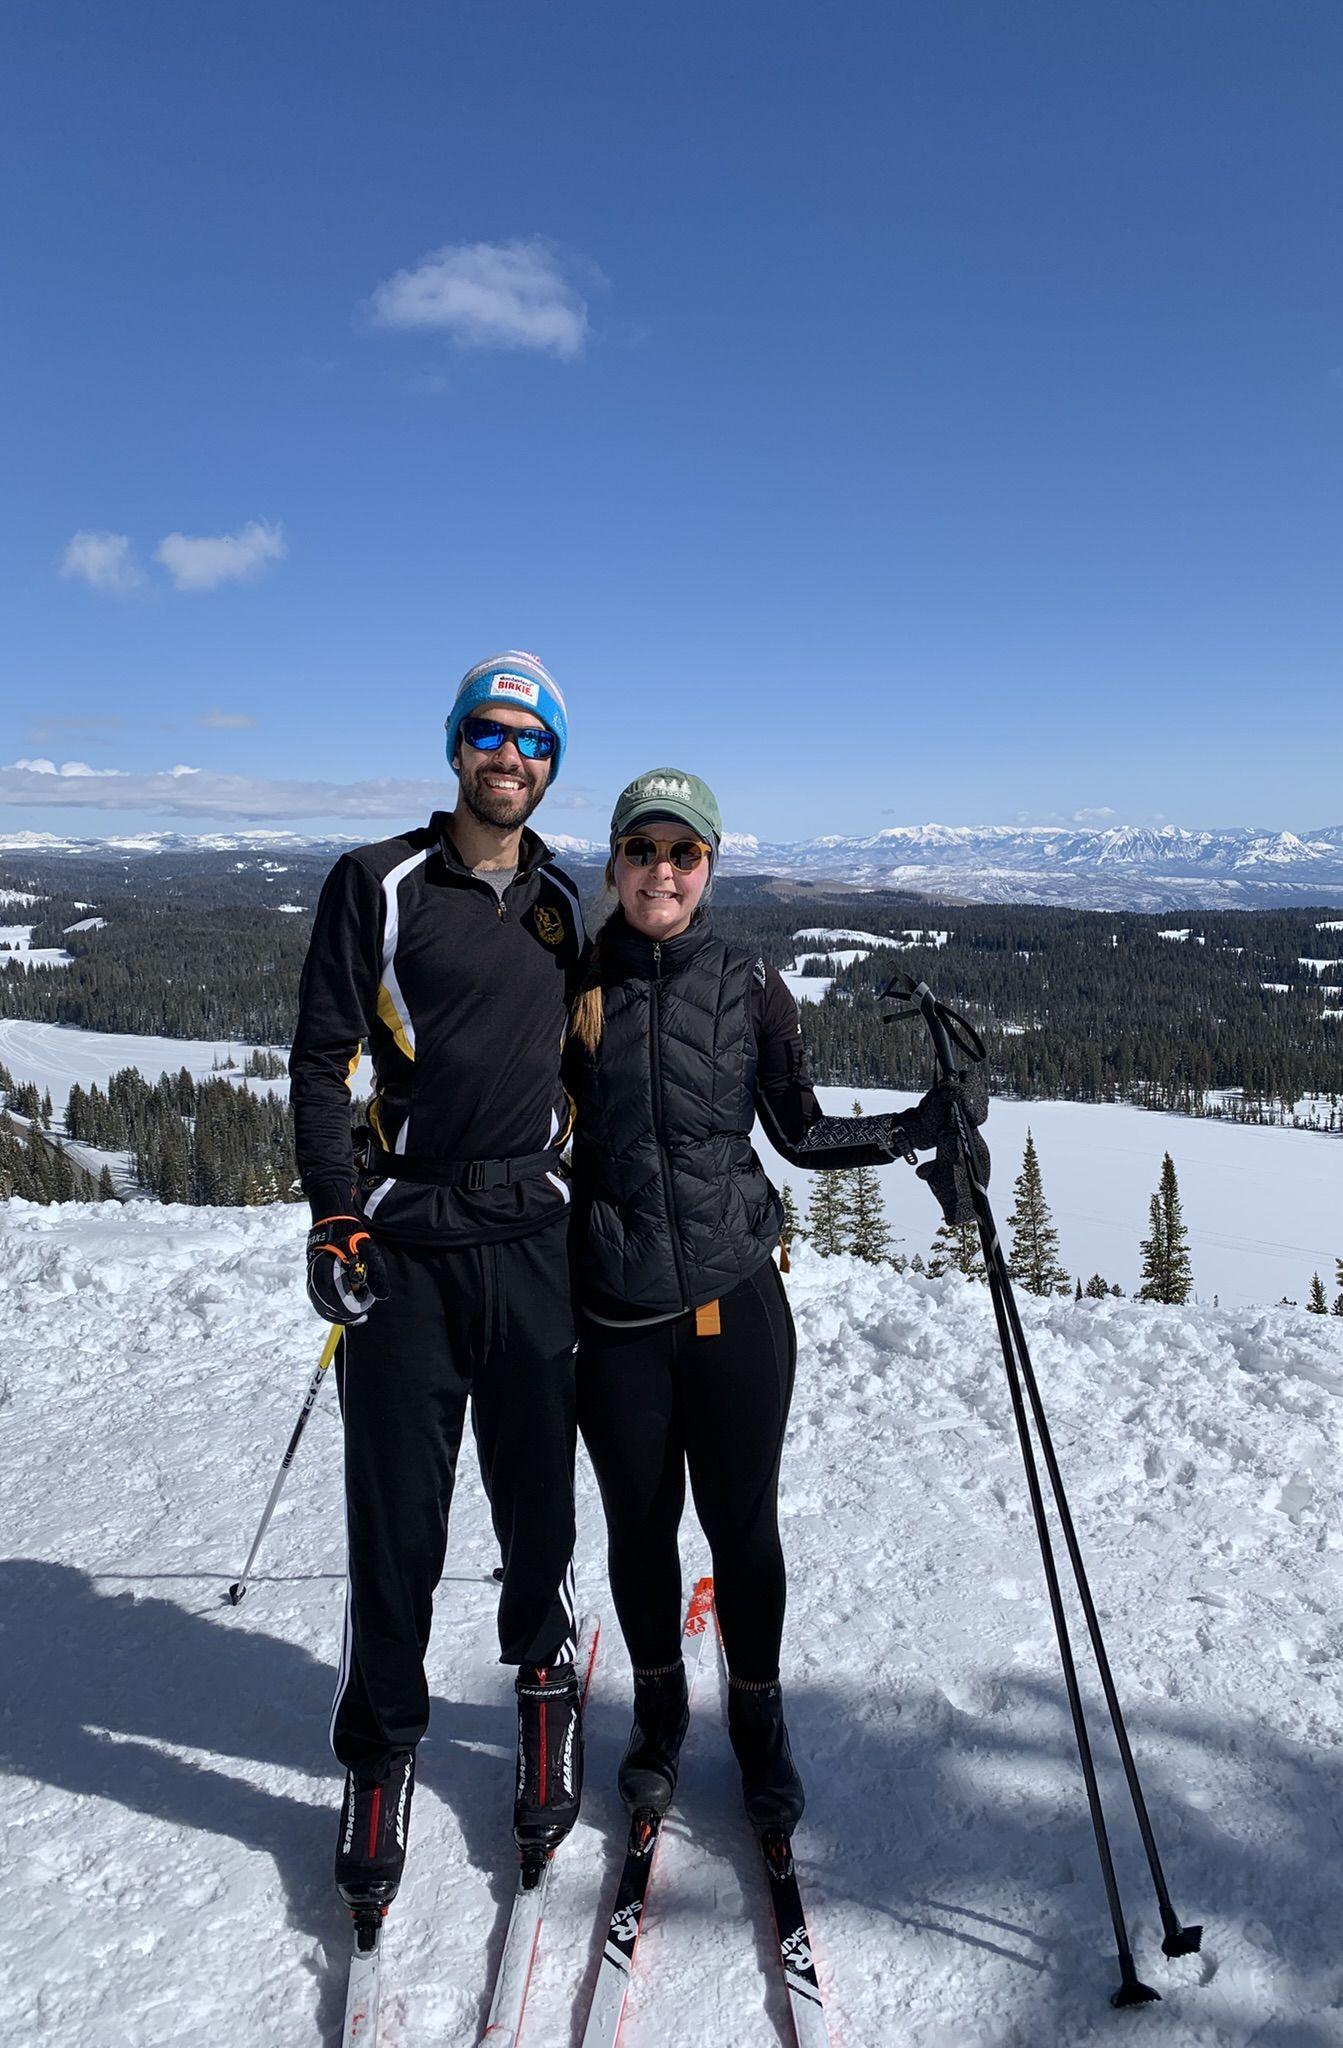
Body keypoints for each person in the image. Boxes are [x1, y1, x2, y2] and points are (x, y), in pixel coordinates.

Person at [564, 767, 985, 1846]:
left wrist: (909, 1127)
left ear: (709, 865)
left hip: (732, 1303)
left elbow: (793, 1129)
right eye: (643, 850)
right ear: (614, 861)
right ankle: (658, 1718)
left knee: (740, 1527)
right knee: (637, 1531)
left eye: (684, 852)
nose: (662, 870)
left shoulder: (749, 979)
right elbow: (527, 1127)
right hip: (613, 1314)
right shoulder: (570, 982)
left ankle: (759, 1722)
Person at [290, 651, 590, 1920]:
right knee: (395, 1525)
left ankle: (540, 1690)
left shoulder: (566, 902)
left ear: (549, 761)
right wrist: (335, 1217)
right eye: (486, 733)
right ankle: (380, 1749)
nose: (505, 756)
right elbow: (318, 1063)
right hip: (407, 1246)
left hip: (532, 1239)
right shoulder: (376, 882)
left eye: (528, 740)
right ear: (455, 747)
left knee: (538, 1507)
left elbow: (593, 1064)